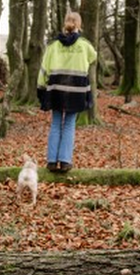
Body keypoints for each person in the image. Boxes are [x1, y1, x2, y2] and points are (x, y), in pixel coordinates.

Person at [37, 11, 97, 173]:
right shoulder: (84, 45)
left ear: (65, 24)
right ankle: (64, 161)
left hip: (56, 89)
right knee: (69, 124)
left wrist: (41, 89)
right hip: (76, 90)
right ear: (79, 24)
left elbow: (43, 69)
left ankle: (51, 161)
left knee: (56, 124)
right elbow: (93, 57)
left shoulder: (52, 45)